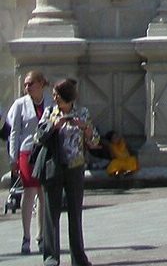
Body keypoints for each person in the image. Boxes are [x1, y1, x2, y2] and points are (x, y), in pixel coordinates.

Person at [37, 78, 100, 266]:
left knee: (75, 213)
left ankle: (78, 257)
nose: (54, 97)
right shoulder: (49, 112)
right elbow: (38, 136)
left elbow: (95, 141)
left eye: (57, 94)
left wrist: (85, 128)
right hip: (53, 166)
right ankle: (51, 257)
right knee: (51, 214)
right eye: (54, 94)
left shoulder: (82, 113)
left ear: (67, 96)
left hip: (75, 166)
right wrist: (53, 126)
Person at [7, 70, 48, 254]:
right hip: (27, 151)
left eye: (30, 83)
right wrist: (13, 158)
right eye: (25, 84)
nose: (27, 87)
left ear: (40, 83)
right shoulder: (19, 105)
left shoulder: (51, 103)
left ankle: (41, 235)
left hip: (45, 152)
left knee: (43, 192)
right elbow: (14, 132)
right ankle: (26, 236)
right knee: (29, 190)